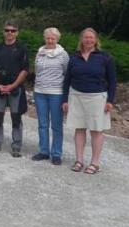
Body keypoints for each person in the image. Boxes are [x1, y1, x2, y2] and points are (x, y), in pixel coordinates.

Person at [63, 28, 116, 174]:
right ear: (81, 40)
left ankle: (95, 163)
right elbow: (67, 80)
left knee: (96, 131)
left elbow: (112, 81)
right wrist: (64, 100)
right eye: (85, 37)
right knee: (79, 129)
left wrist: (110, 101)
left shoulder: (105, 57)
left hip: (97, 98)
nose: (88, 40)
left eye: (91, 38)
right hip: (76, 96)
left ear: (96, 40)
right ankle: (79, 160)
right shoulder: (74, 58)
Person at [0, 21, 29, 157]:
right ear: (3, 32)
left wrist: (13, 85)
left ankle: (16, 146)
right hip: (0, 87)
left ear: (17, 32)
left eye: (13, 30)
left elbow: (25, 70)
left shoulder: (22, 48)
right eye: (7, 30)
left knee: (16, 117)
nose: (9, 33)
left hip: (15, 88)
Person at [32, 27, 69, 165]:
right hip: (40, 91)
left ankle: (56, 153)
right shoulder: (39, 53)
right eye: (48, 38)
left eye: (53, 38)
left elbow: (66, 73)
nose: (50, 40)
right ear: (44, 38)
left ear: (57, 39)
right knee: (42, 124)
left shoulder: (63, 54)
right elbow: (37, 70)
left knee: (56, 125)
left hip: (56, 93)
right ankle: (44, 151)